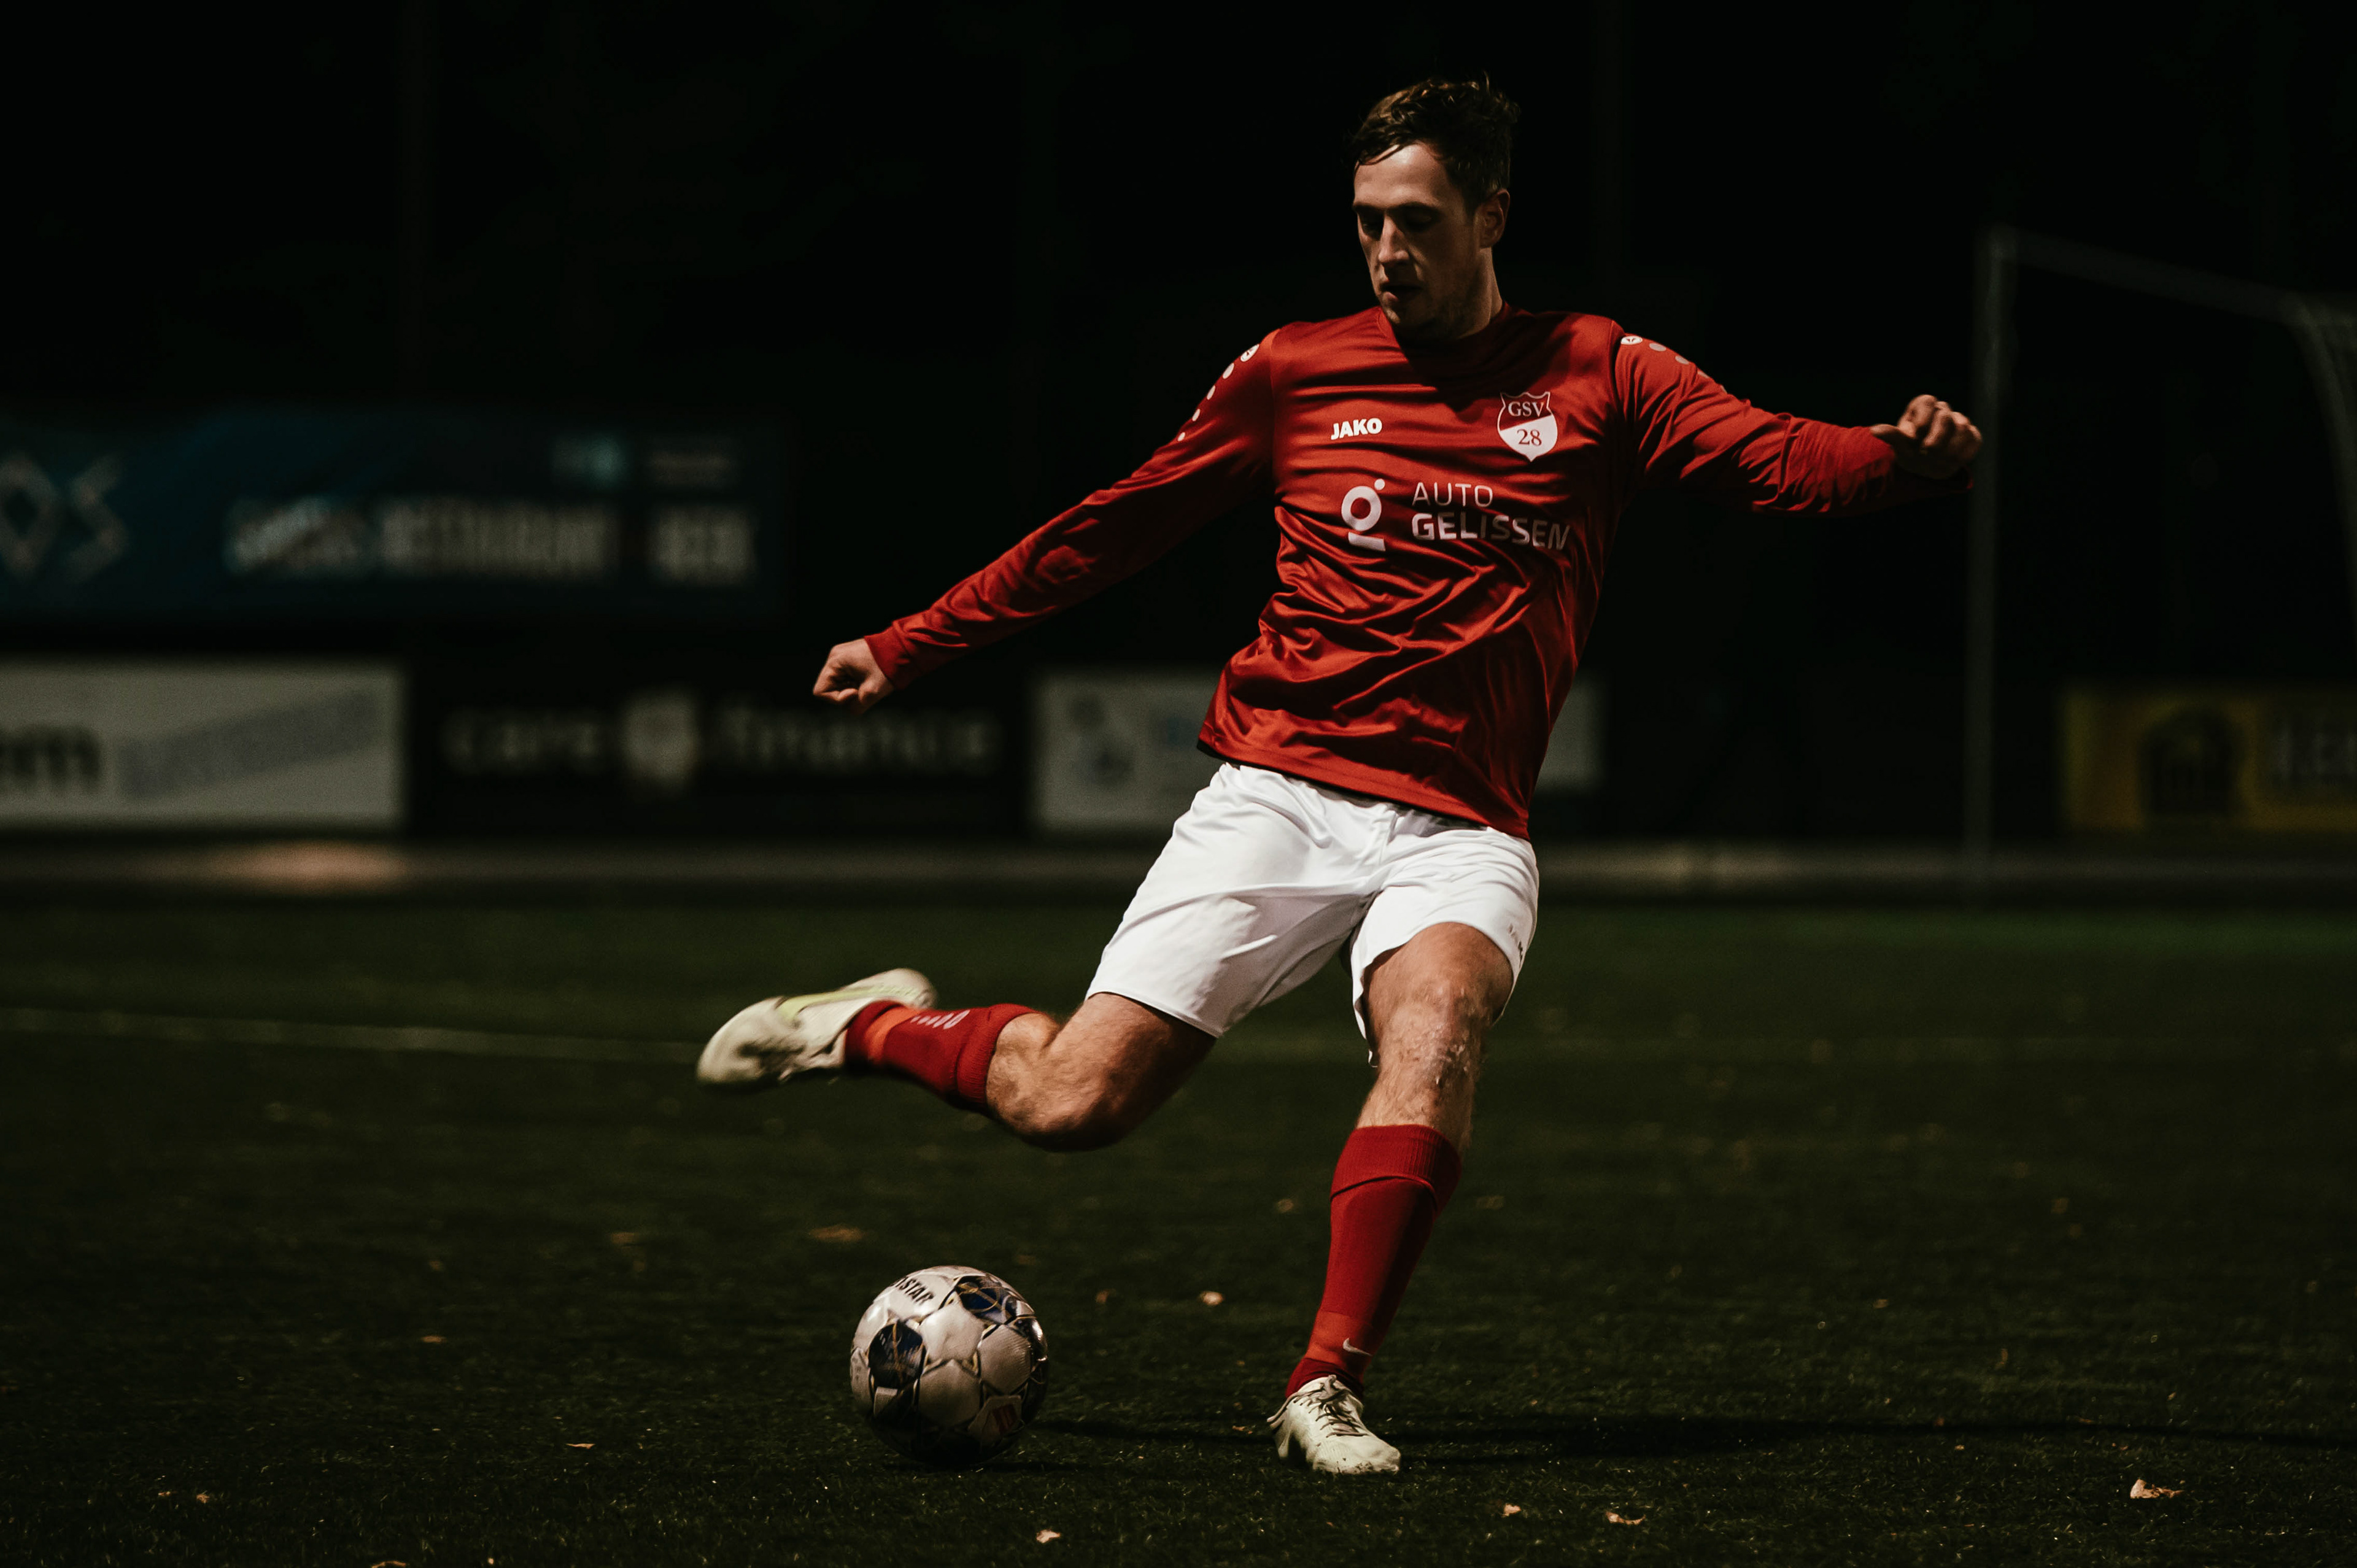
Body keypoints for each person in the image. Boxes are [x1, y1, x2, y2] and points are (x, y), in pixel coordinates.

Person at [697, 75, 1981, 1473]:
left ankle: (1324, 1387)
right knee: (1072, 1104)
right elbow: (1116, 526)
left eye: (1417, 221)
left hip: (1462, 828)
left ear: (1491, 216)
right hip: (1278, 792)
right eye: (1368, 221)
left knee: (1438, 1029)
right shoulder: (1297, 372)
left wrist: (1900, 462)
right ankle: (866, 1027)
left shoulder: (1600, 371)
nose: (1386, 251)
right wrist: (913, 642)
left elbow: (1775, 459)